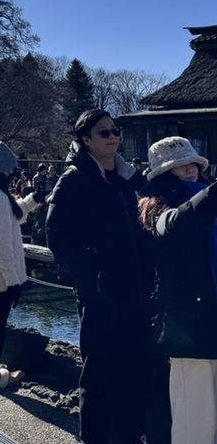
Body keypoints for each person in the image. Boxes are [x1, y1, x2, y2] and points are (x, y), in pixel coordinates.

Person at [46, 109, 151, 444]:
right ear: (85, 140)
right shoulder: (75, 179)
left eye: (115, 131)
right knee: (99, 377)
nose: (113, 137)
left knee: (134, 374)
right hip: (101, 297)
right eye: (104, 133)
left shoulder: (129, 179)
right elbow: (57, 237)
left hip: (137, 294)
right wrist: (93, 275)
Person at [139, 136, 217, 444]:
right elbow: (179, 224)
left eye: (193, 165)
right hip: (189, 328)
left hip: (204, 322)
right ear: (162, 175)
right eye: (180, 167)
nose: (190, 171)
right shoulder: (156, 210)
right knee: (194, 422)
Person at [0, 141, 42, 388]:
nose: (17, 174)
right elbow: (3, 244)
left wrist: (32, 200)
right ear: (6, 171)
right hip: (2, 272)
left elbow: (13, 216)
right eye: (14, 170)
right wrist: (14, 281)